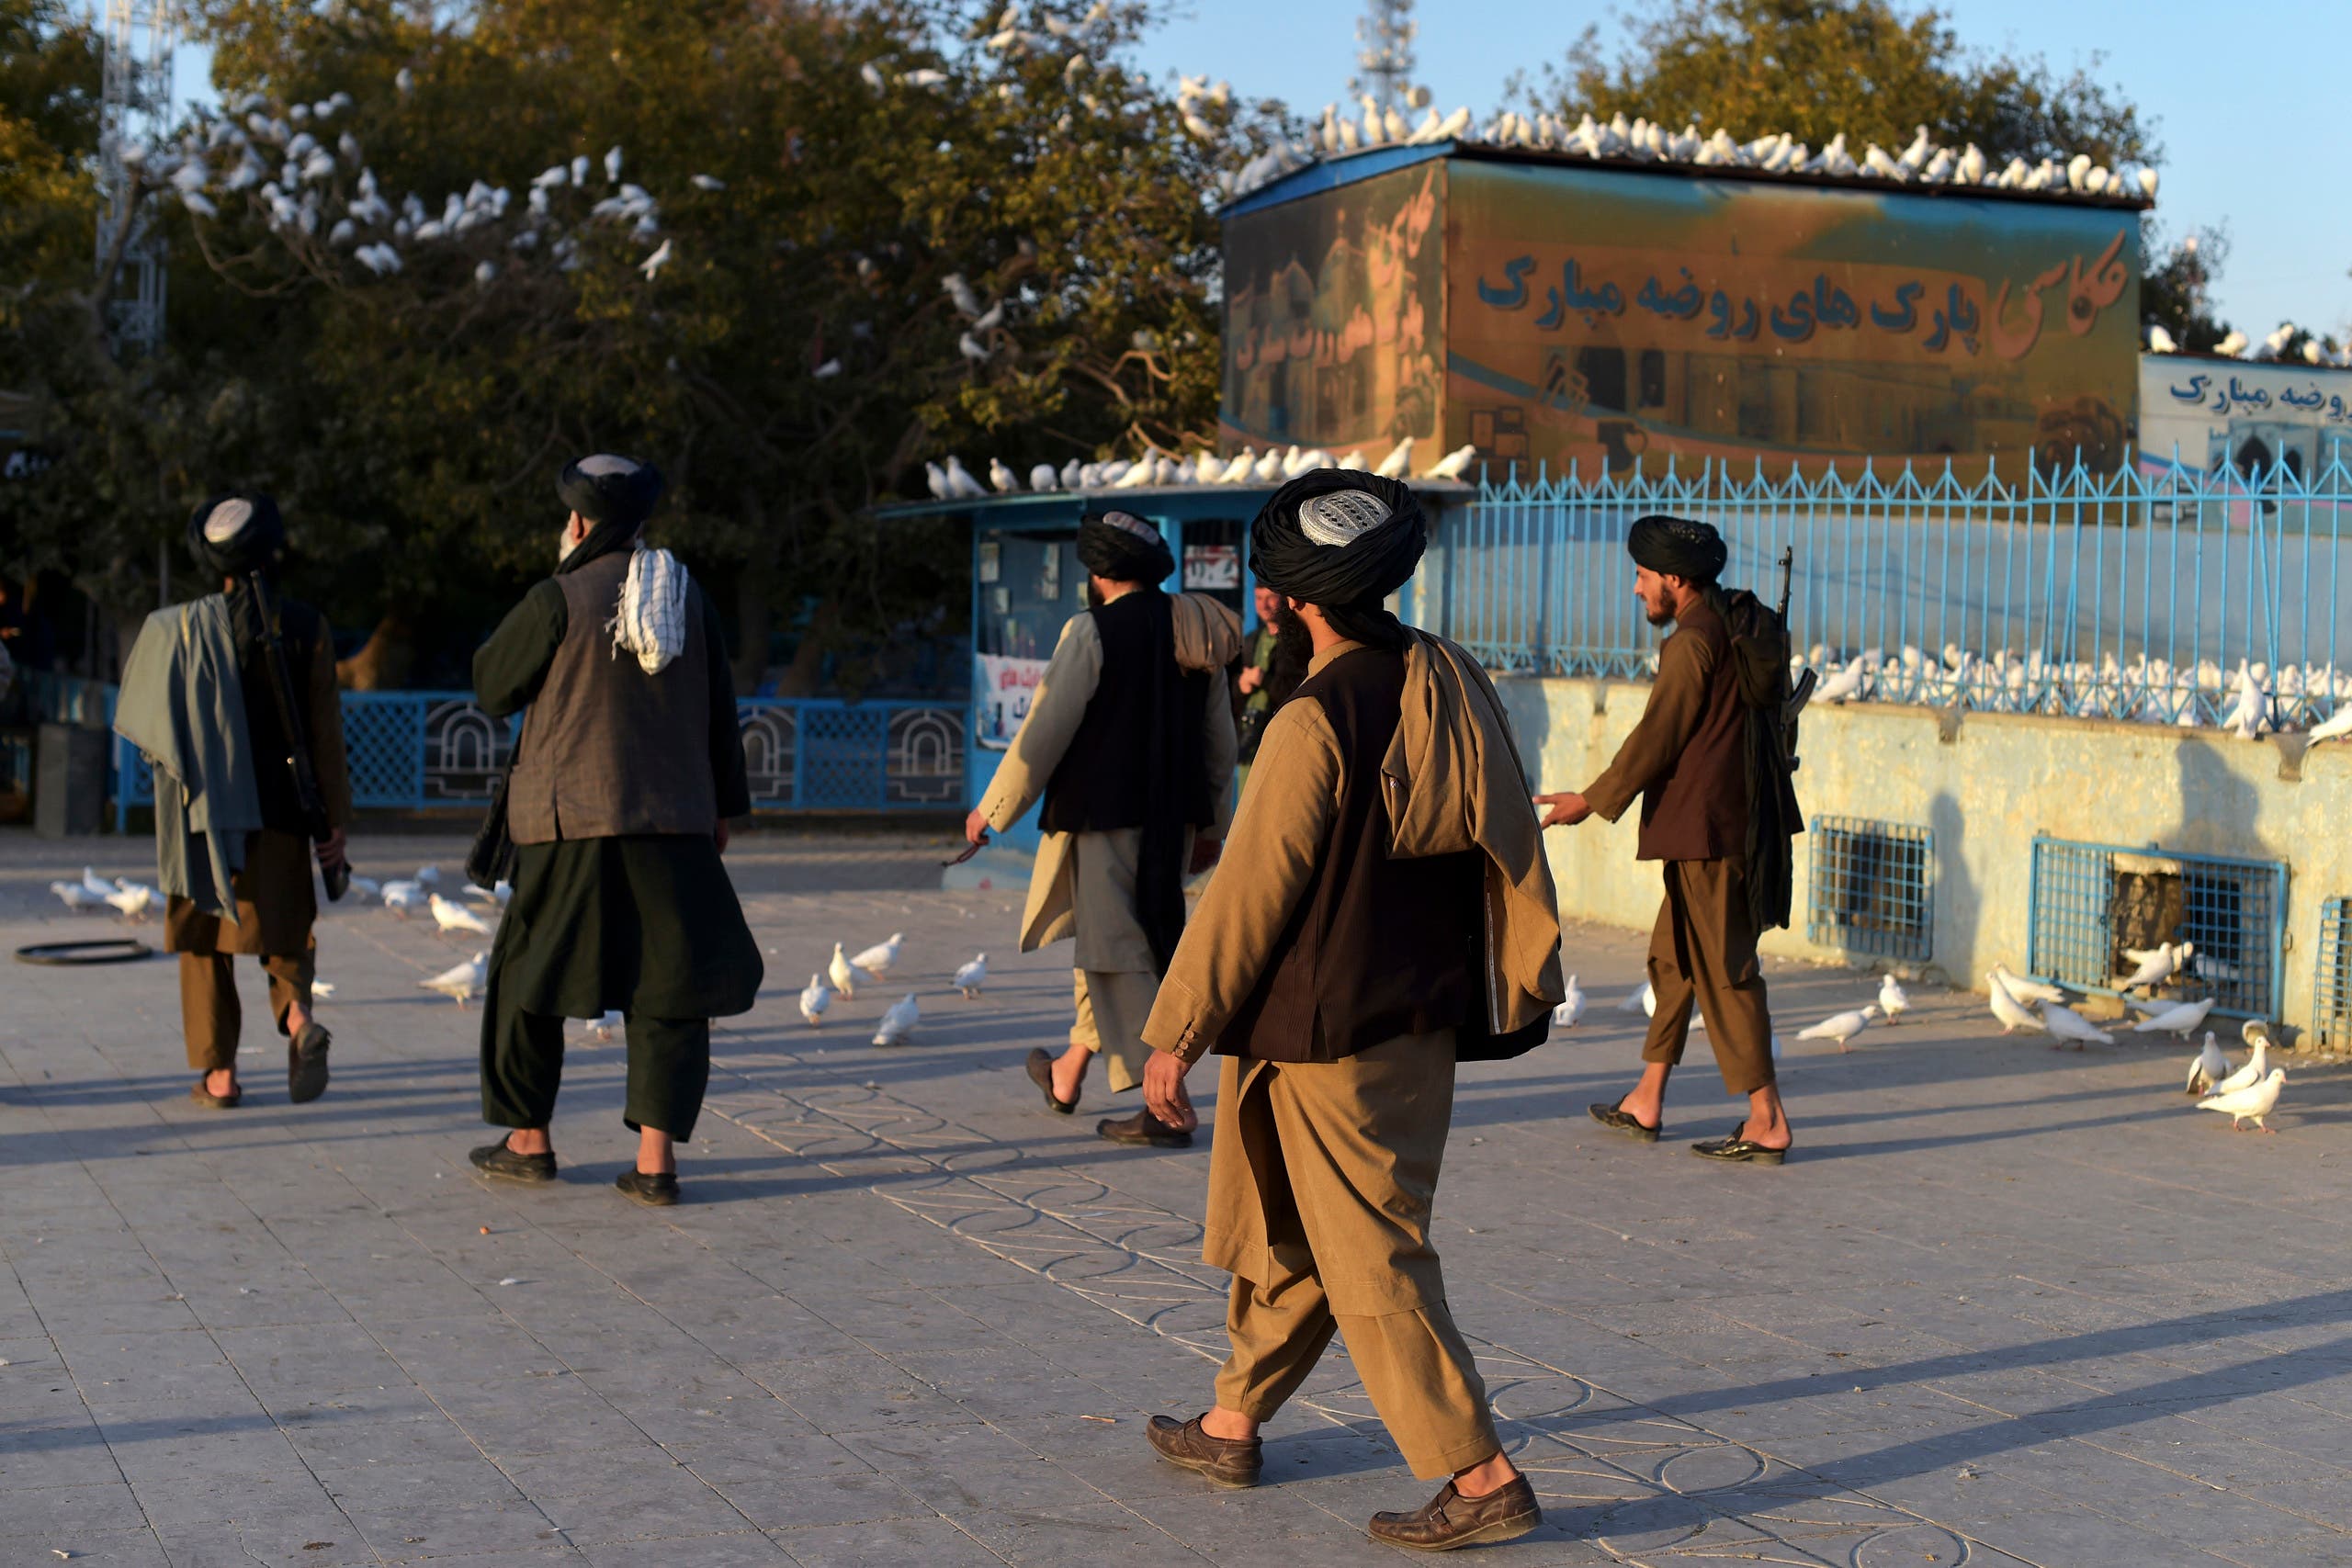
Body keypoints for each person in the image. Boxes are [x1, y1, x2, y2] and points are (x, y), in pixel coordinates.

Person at [1136, 470, 1565, 1551]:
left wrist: (1173, 1035)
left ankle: (1481, 1476)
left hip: (1326, 1032)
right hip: (1419, 1018)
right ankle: (1232, 1420)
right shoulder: (1443, 681)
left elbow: (1245, 897)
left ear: (1295, 598)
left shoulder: (1311, 719)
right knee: (1299, 1229)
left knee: (1370, 1250)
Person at [468, 455, 763, 1206]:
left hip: (573, 823)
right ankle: (656, 1163)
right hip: (676, 824)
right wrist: (720, 810)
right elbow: (721, 713)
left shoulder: (557, 596)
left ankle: (528, 1140)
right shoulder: (689, 599)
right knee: (669, 986)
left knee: (527, 977)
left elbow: (490, 684)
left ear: (575, 523)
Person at [964, 507, 1238, 1148]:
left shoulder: (1091, 632)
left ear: (1097, 571)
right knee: (1113, 944)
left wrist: (992, 810)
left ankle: (1167, 1109)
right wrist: (1213, 825)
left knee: (1120, 954)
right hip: (1174, 819)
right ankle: (1067, 1072)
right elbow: (1219, 742)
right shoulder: (1194, 627)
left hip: (1106, 821)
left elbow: (1043, 731)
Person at [1532, 514, 1794, 1163]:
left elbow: (1659, 735)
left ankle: (1767, 1119)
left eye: (1643, 576)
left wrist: (1591, 800)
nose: (1636, 589)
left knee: (1727, 972)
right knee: (1674, 960)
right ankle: (1647, 1097)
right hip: (1706, 830)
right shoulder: (1730, 622)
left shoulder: (1693, 643)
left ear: (1675, 580)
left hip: (1712, 834)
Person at [116, 494, 352, 1109]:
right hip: (280, 809)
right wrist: (335, 823)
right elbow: (327, 734)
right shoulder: (306, 626)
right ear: (274, 550)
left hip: (202, 812)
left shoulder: (180, 628)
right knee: (286, 931)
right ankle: (300, 1022)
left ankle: (219, 1076)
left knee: (204, 940)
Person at [1233, 581, 1309, 779]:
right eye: (1258, 598)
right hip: (1248, 740)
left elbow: (1300, 691)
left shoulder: (1298, 642)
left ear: (1284, 600)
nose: (1263, 605)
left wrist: (1263, 680)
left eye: (1270, 598)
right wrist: (1241, 687)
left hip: (1280, 738)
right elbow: (1231, 696)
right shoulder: (1250, 640)